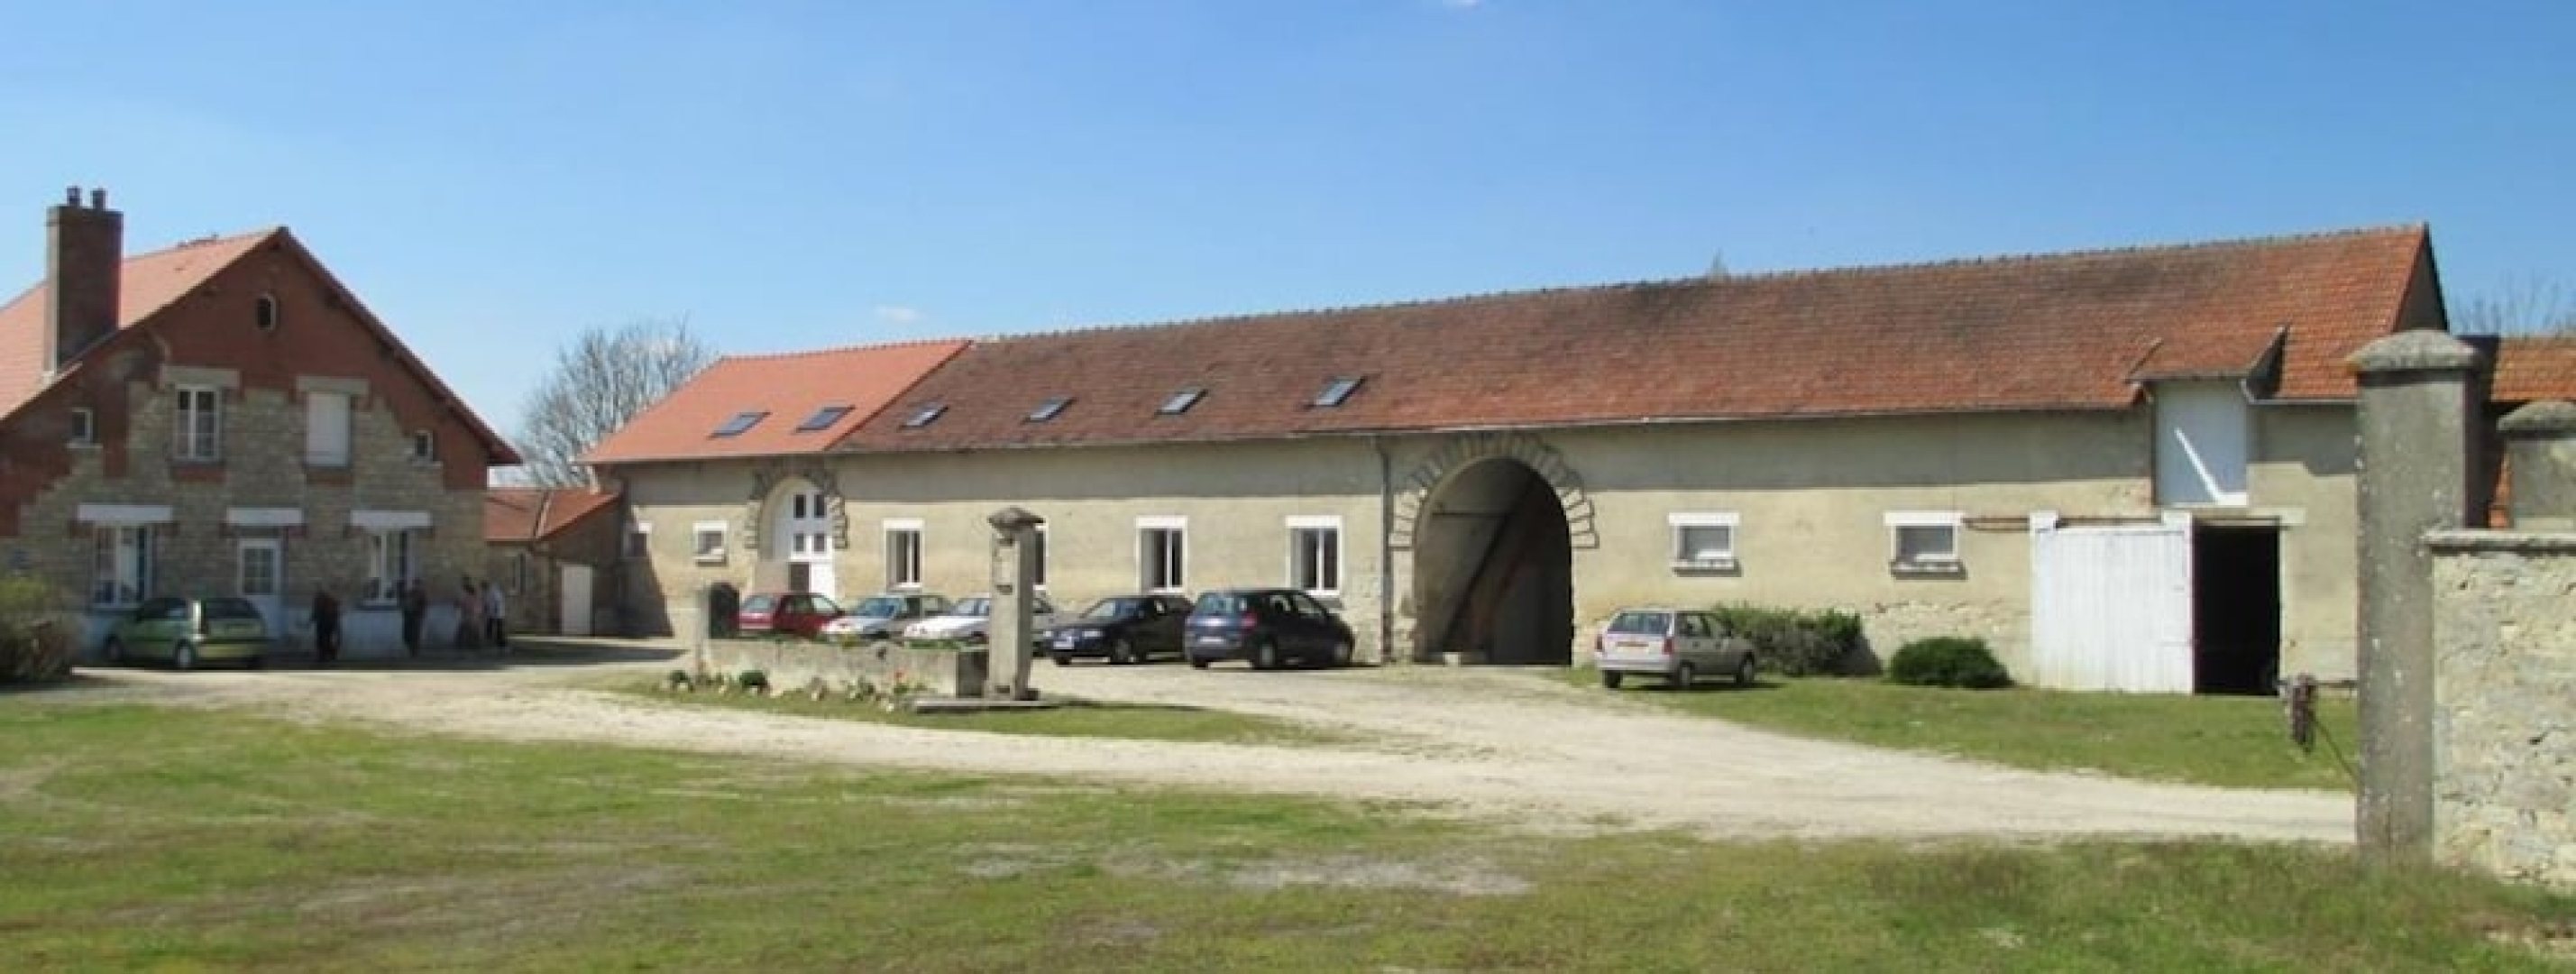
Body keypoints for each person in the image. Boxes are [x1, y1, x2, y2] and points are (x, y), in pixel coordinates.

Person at [309, 586, 343, 665]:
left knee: (321, 640)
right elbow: (336, 611)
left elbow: (316, 611)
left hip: (323, 623)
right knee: (326, 640)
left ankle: (323, 656)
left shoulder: (319, 599)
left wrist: (310, 620)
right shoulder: (329, 600)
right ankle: (329, 655)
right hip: (330, 623)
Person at [399, 579, 428, 657]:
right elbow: (405, 604)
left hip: (416, 616)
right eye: (415, 584)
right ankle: (412, 650)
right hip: (409, 616)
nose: (416, 586)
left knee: (415, 635)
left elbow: (424, 606)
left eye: (418, 585)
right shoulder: (410, 593)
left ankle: (415, 651)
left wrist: (421, 615)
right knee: (408, 634)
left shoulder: (421, 594)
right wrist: (405, 613)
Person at [455, 575, 484, 653]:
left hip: (469, 616)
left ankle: (462, 644)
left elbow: (462, 605)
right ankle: (474, 645)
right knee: (473, 631)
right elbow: (480, 607)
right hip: (475, 616)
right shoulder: (476, 598)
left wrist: (458, 605)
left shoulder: (468, 597)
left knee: (465, 630)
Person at [482, 580, 509, 653]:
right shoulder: (489, 593)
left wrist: (496, 612)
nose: (483, 589)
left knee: (498, 631)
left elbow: (498, 602)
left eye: (483, 587)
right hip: (493, 614)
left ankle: (502, 645)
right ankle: (492, 644)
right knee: (490, 629)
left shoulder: (493, 592)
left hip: (497, 614)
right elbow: (487, 604)